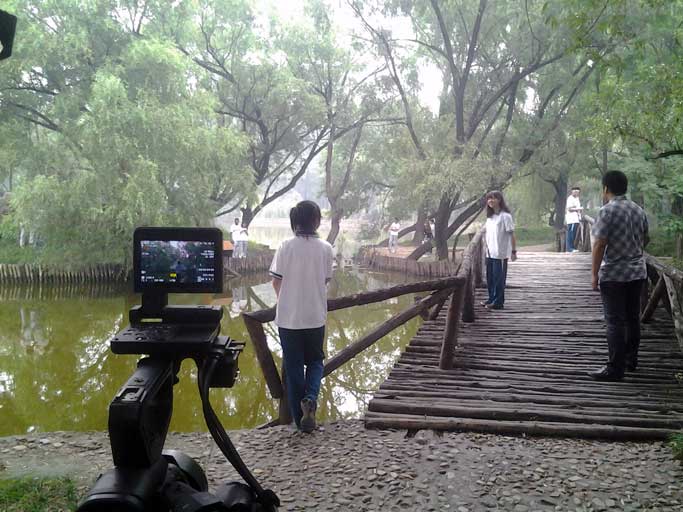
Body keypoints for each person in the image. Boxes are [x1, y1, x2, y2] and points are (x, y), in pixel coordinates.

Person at [269, 200, 334, 432]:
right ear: (316, 221)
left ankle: (299, 421)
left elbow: (276, 281)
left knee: (294, 365)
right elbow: (324, 280)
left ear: (295, 221)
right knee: (315, 361)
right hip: (315, 316)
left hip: (289, 318)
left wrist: (286, 300)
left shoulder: (285, 246)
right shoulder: (326, 248)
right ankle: (310, 398)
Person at [589, 170, 649, 382]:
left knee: (614, 321)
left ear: (606, 188)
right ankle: (631, 360)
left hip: (614, 274)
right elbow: (645, 239)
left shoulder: (607, 211)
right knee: (633, 318)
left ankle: (615, 368)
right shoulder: (638, 210)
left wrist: (594, 274)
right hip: (637, 272)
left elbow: (599, 244)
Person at [482, 191, 517, 310]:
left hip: (500, 254)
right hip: (489, 253)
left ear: (499, 200)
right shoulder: (490, 217)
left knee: (499, 279)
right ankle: (491, 298)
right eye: (488, 198)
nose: (490, 201)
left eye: (493, 198)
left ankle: (498, 302)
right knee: (490, 278)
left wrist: (513, 251)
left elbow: (512, 234)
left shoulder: (505, 216)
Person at [565, 187, 583, 252]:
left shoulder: (577, 199)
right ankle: (569, 248)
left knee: (574, 233)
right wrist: (578, 209)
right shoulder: (570, 199)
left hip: (576, 219)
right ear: (572, 192)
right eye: (575, 192)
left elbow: (577, 207)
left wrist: (579, 211)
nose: (576, 193)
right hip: (571, 219)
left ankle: (572, 248)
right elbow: (569, 209)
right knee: (570, 233)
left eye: (578, 192)